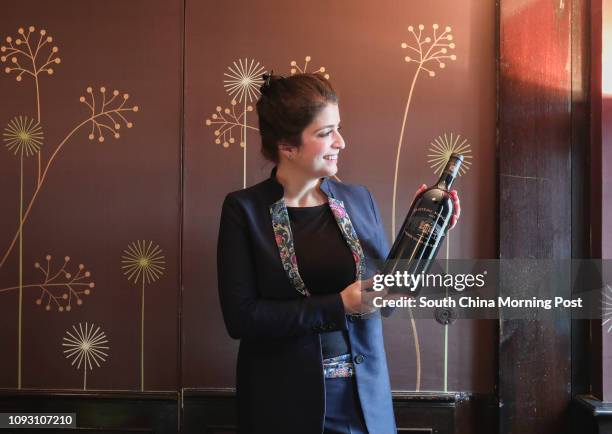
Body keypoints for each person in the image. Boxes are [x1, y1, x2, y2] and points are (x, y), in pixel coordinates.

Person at [217, 72, 460, 434]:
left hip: (365, 403)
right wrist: (340, 304)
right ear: (287, 145)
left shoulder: (359, 200)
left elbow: (389, 296)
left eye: (339, 128)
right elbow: (242, 319)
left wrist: (424, 235)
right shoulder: (244, 210)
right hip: (282, 405)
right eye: (325, 132)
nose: (341, 142)